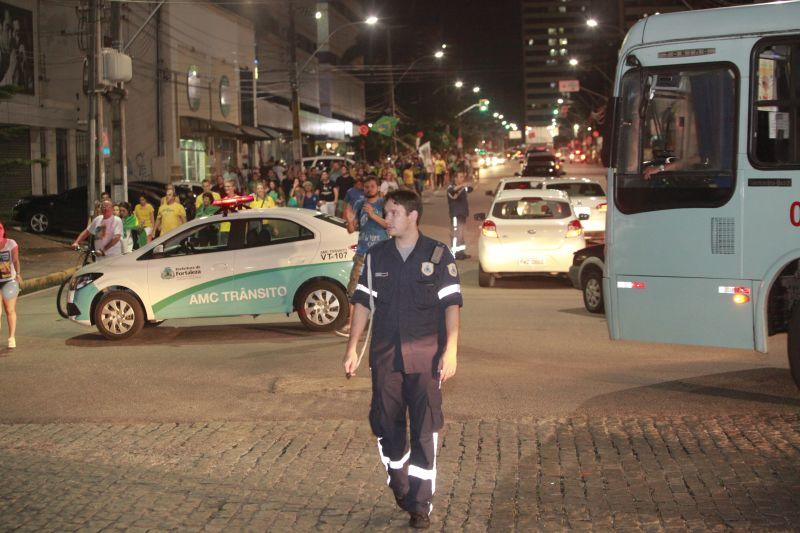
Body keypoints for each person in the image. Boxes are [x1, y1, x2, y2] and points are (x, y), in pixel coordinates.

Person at [342, 189, 462, 529]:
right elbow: (362, 304)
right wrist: (352, 347)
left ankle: (420, 503)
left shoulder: (439, 255)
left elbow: (451, 305)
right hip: (385, 357)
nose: (387, 219)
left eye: (393, 213)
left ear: (413, 216)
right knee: (385, 424)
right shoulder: (377, 256)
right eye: (387, 212)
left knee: (425, 431)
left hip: (426, 359)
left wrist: (451, 350)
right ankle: (399, 480)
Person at [337, 176, 388, 337]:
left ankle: (382, 324)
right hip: (362, 253)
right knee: (355, 289)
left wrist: (373, 215)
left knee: (382, 289)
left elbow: (389, 225)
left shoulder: (384, 204)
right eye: (366, 187)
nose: (369, 189)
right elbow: (352, 230)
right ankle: (351, 325)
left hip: (381, 253)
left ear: (378, 188)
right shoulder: (359, 204)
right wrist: (350, 222)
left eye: (372, 186)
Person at [0, 220, 21, 349]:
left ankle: (11, 337)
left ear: (3, 230)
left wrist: (18, 274)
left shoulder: (11, 243)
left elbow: (16, 260)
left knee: (9, 309)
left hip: (9, 281)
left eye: (0, 228)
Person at [446, 170, 472, 260]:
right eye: (460, 177)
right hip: (456, 214)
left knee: (461, 234)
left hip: (463, 214)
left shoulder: (462, 187)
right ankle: (455, 254)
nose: (462, 179)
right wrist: (462, 185)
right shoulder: (451, 187)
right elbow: (452, 191)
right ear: (455, 178)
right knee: (456, 235)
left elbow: (470, 189)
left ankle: (461, 253)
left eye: (463, 177)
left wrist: (467, 185)